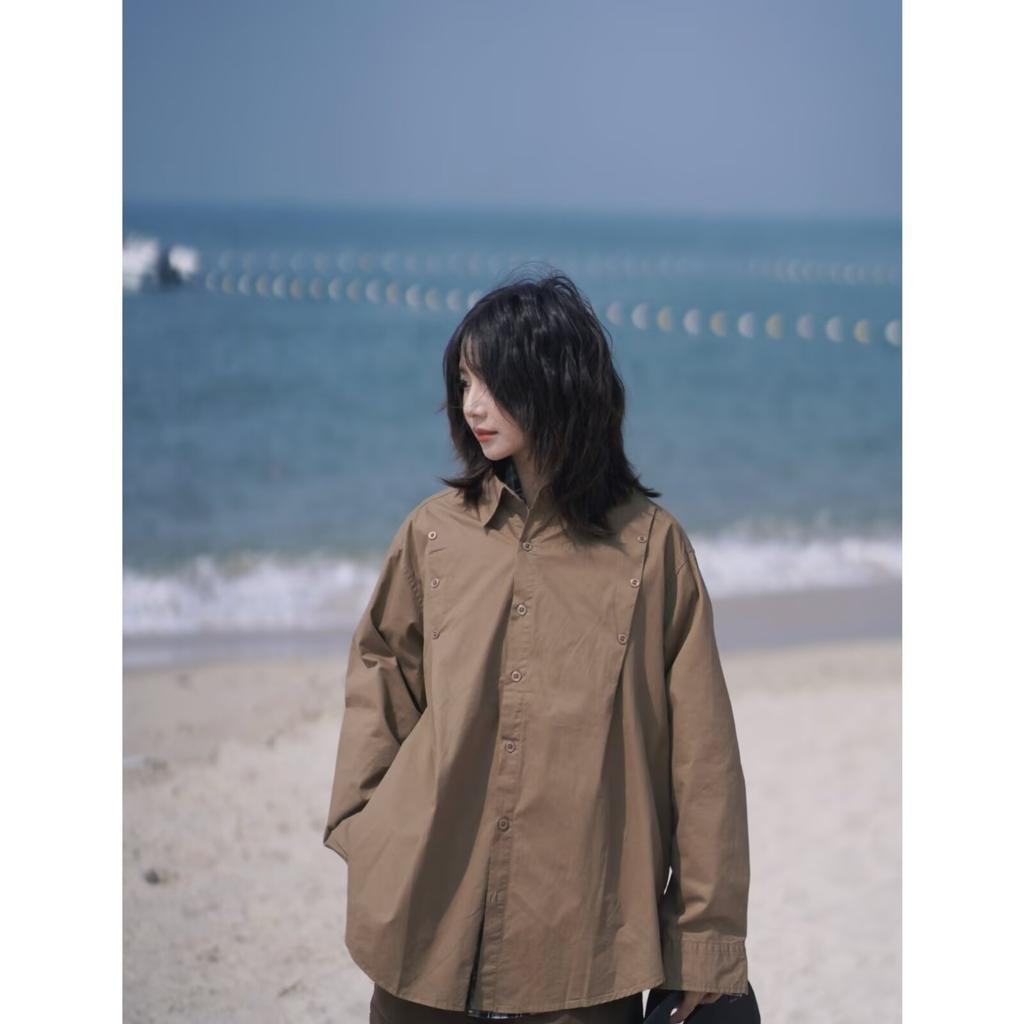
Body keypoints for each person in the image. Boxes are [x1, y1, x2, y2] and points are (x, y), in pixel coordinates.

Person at [324, 271, 751, 1024]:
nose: (472, 406)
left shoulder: (651, 550)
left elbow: (703, 758)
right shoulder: (432, 534)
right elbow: (381, 678)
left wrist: (704, 935)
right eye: (464, 382)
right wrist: (367, 824)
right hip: (427, 909)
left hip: (584, 940)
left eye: (492, 383)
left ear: (555, 382)